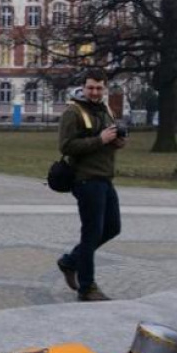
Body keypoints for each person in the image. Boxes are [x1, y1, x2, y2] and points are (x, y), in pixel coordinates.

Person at [55, 71, 126, 302]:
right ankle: (87, 288)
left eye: (99, 88)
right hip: (86, 180)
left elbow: (108, 138)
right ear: (83, 88)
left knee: (112, 227)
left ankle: (70, 262)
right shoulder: (73, 112)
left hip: (105, 177)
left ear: (104, 88)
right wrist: (101, 140)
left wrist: (116, 142)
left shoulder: (105, 110)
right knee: (91, 233)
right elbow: (66, 146)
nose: (94, 92)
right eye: (90, 88)